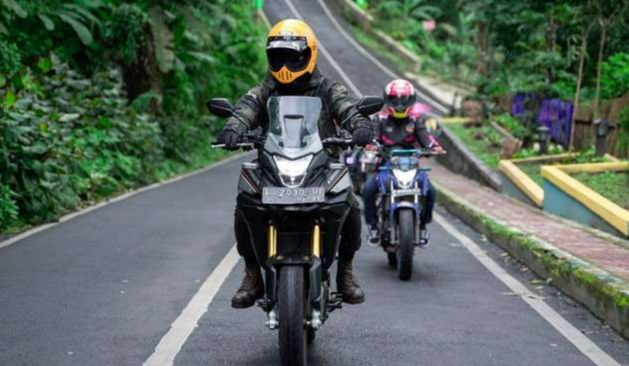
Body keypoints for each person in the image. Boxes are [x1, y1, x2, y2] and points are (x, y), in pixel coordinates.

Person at [217, 19, 373, 309]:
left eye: (293, 56)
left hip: (321, 165)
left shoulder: (327, 88)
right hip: (273, 165)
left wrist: (360, 124)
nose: (286, 64)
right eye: (278, 57)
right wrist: (233, 126)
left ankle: (345, 271)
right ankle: (252, 272)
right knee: (245, 202)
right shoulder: (266, 88)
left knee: (350, 204)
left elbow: (347, 108)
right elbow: (246, 108)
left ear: (309, 54)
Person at [362, 79, 444, 247]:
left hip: (411, 165)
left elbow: (425, 139)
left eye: (404, 100)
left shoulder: (415, 120)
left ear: (411, 100)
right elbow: (374, 138)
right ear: (387, 99)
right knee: (368, 190)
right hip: (385, 165)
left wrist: (433, 147)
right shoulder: (380, 118)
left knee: (431, 192)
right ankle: (373, 227)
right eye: (395, 100)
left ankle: (422, 226)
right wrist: (372, 145)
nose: (399, 105)